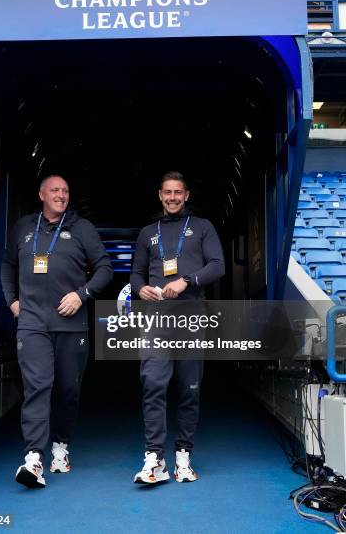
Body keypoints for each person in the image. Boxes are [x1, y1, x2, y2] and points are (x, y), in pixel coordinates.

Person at [1, 175, 113, 488]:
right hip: (33, 322)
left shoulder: (83, 229)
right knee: (38, 387)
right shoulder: (23, 227)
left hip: (71, 324)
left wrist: (83, 294)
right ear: (41, 194)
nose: (61, 195)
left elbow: (104, 268)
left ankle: (60, 445)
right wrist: (11, 300)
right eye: (55, 190)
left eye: (65, 190)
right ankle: (33, 458)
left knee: (68, 390)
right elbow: (7, 265)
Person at [130, 171, 225, 484]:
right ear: (160, 194)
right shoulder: (147, 232)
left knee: (188, 388)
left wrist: (187, 280)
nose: (172, 197)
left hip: (191, 317)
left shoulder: (202, 227)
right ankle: (154, 458)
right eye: (167, 192)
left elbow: (217, 266)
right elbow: (136, 275)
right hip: (156, 319)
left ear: (186, 196)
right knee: (153, 384)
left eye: (178, 192)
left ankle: (183, 457)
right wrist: (140, 289)